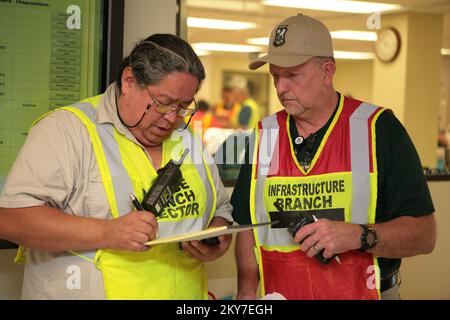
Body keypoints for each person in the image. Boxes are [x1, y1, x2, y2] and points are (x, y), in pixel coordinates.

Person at [0, 34, 233, 299]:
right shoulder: (67, 130)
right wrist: (107, 232)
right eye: (163, 102)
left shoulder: (187, 137)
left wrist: (217, 234)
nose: (171, 118)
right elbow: (11, 219)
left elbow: (220, 208)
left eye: (182, 107)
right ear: (129, 81)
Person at [231, 14, 436, 300]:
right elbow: (246, 227)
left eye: (292, 75)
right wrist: (247, 288)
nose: (280, 88)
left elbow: (424, 235)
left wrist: (358, 236)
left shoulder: (379, 129)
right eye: (275, 76)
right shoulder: (263, 135)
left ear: (327, 72)